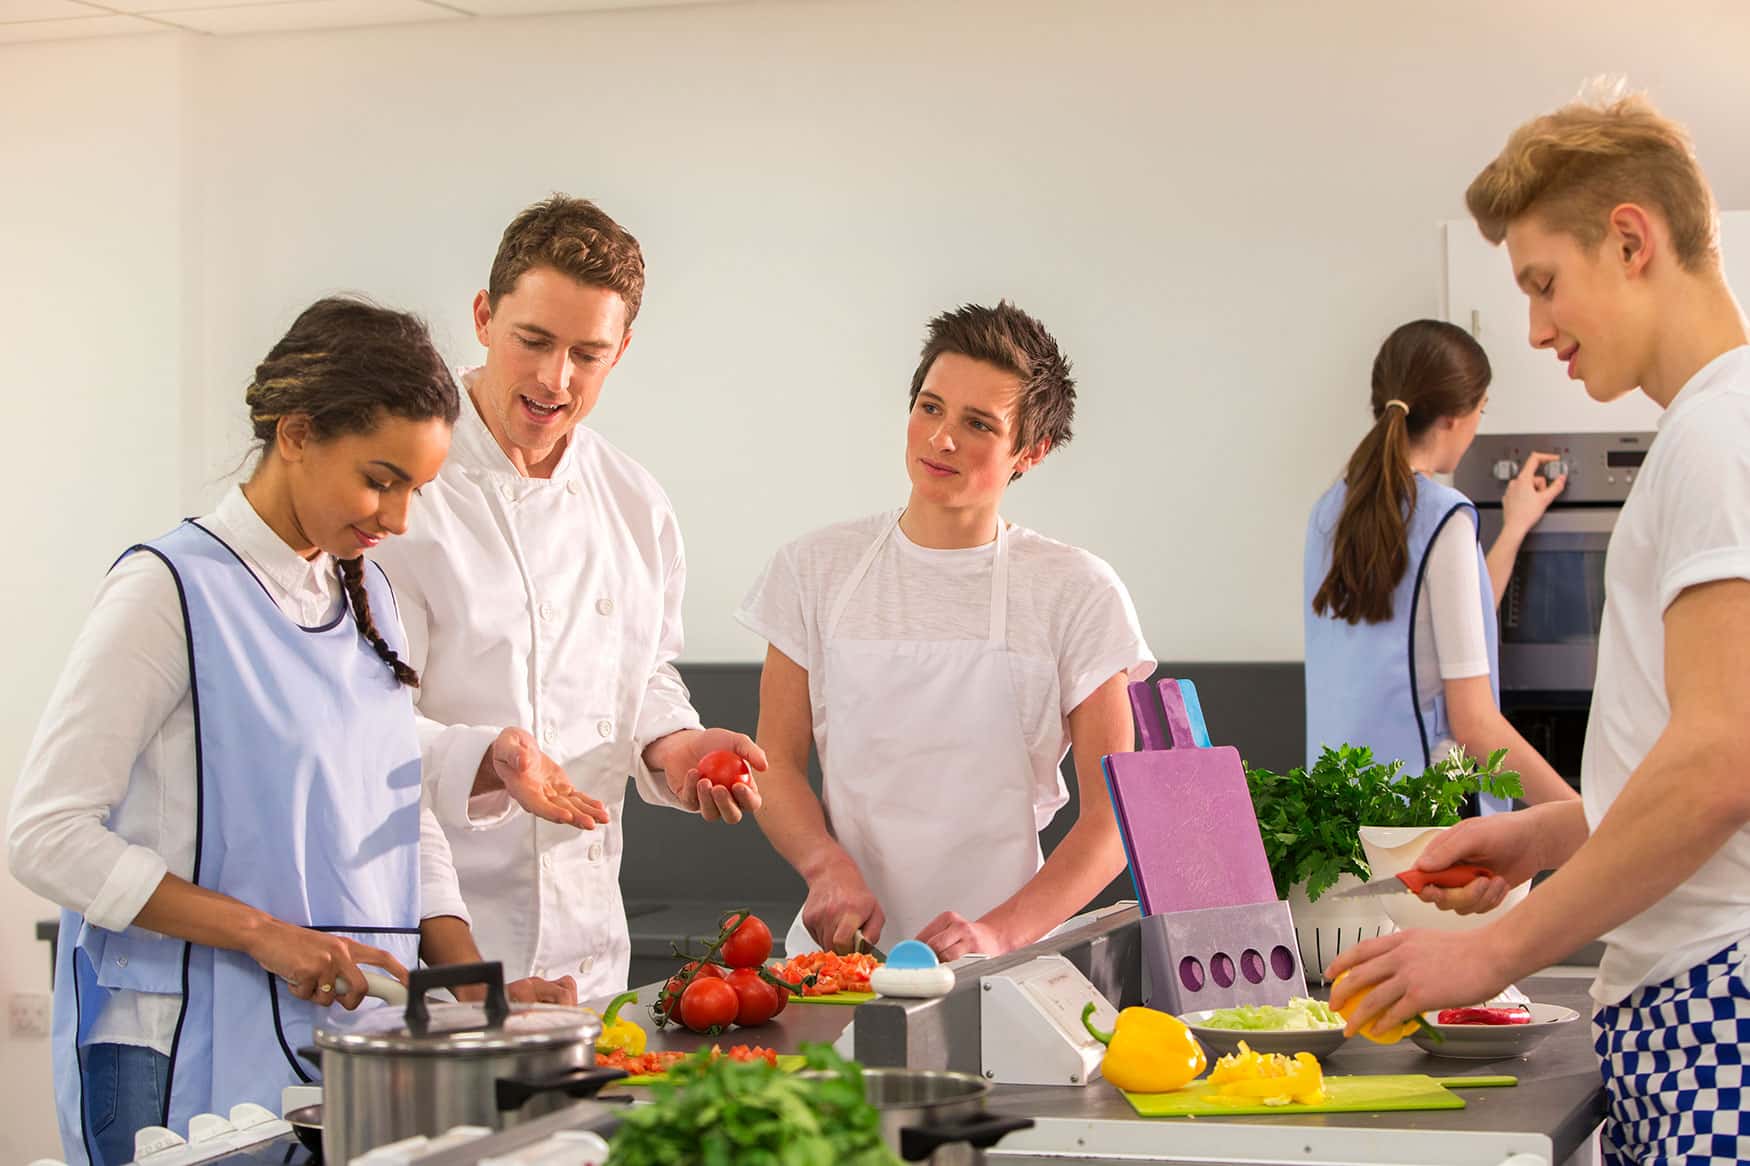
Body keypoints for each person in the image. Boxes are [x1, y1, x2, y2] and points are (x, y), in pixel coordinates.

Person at [8, 298, 531, 1164]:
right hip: (175, 1059)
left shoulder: (368, 600)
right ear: (296, 433)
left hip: (340, 1049)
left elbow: (395, 808)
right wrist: (264, 934)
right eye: (380, 478)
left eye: (417, 490)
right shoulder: (168, 591)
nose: (398, 518)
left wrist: (472, 989)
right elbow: (44, 836)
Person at [1329, 90, 1750, 1164]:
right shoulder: (1714, 430)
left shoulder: (1718, 437)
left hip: (1719, 1003)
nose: (1533, 328)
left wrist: (1491, 952)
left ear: (1629, 238)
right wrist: (1544, 834)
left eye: (1542, 283)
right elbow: (1684, 748)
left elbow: (1722, 760)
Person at [373, 196, 765, 996]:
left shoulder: (633, 500)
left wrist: (676, 748)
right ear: (484, 317)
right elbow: (369, 729)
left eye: (587, 352)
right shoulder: (402, 493)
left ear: (621, 350)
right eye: (535, 341)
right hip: (437, 951)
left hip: (592, 957)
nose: (556, 379)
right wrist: (488, 759)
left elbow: (644, 671)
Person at [737, 301, 1153, 960]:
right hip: (840, 961)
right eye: (930, 408)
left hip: (1007, 963)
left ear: (1032, 452)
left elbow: (1113, 821)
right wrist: (824, 867)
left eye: (978, 424)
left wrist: (996, 935)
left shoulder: (1078, 592)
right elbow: (776, 763)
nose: (941, 439)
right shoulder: (813, 568)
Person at [1304, 319, 1578, 810]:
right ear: (1455, 417)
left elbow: (1439, 634)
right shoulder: (1442, 514)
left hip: (1343, 813)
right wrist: (1584, 824)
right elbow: (1475, 725)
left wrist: (1512, 527)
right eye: (1482, 409)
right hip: (1427, 817)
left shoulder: (1330, 511)